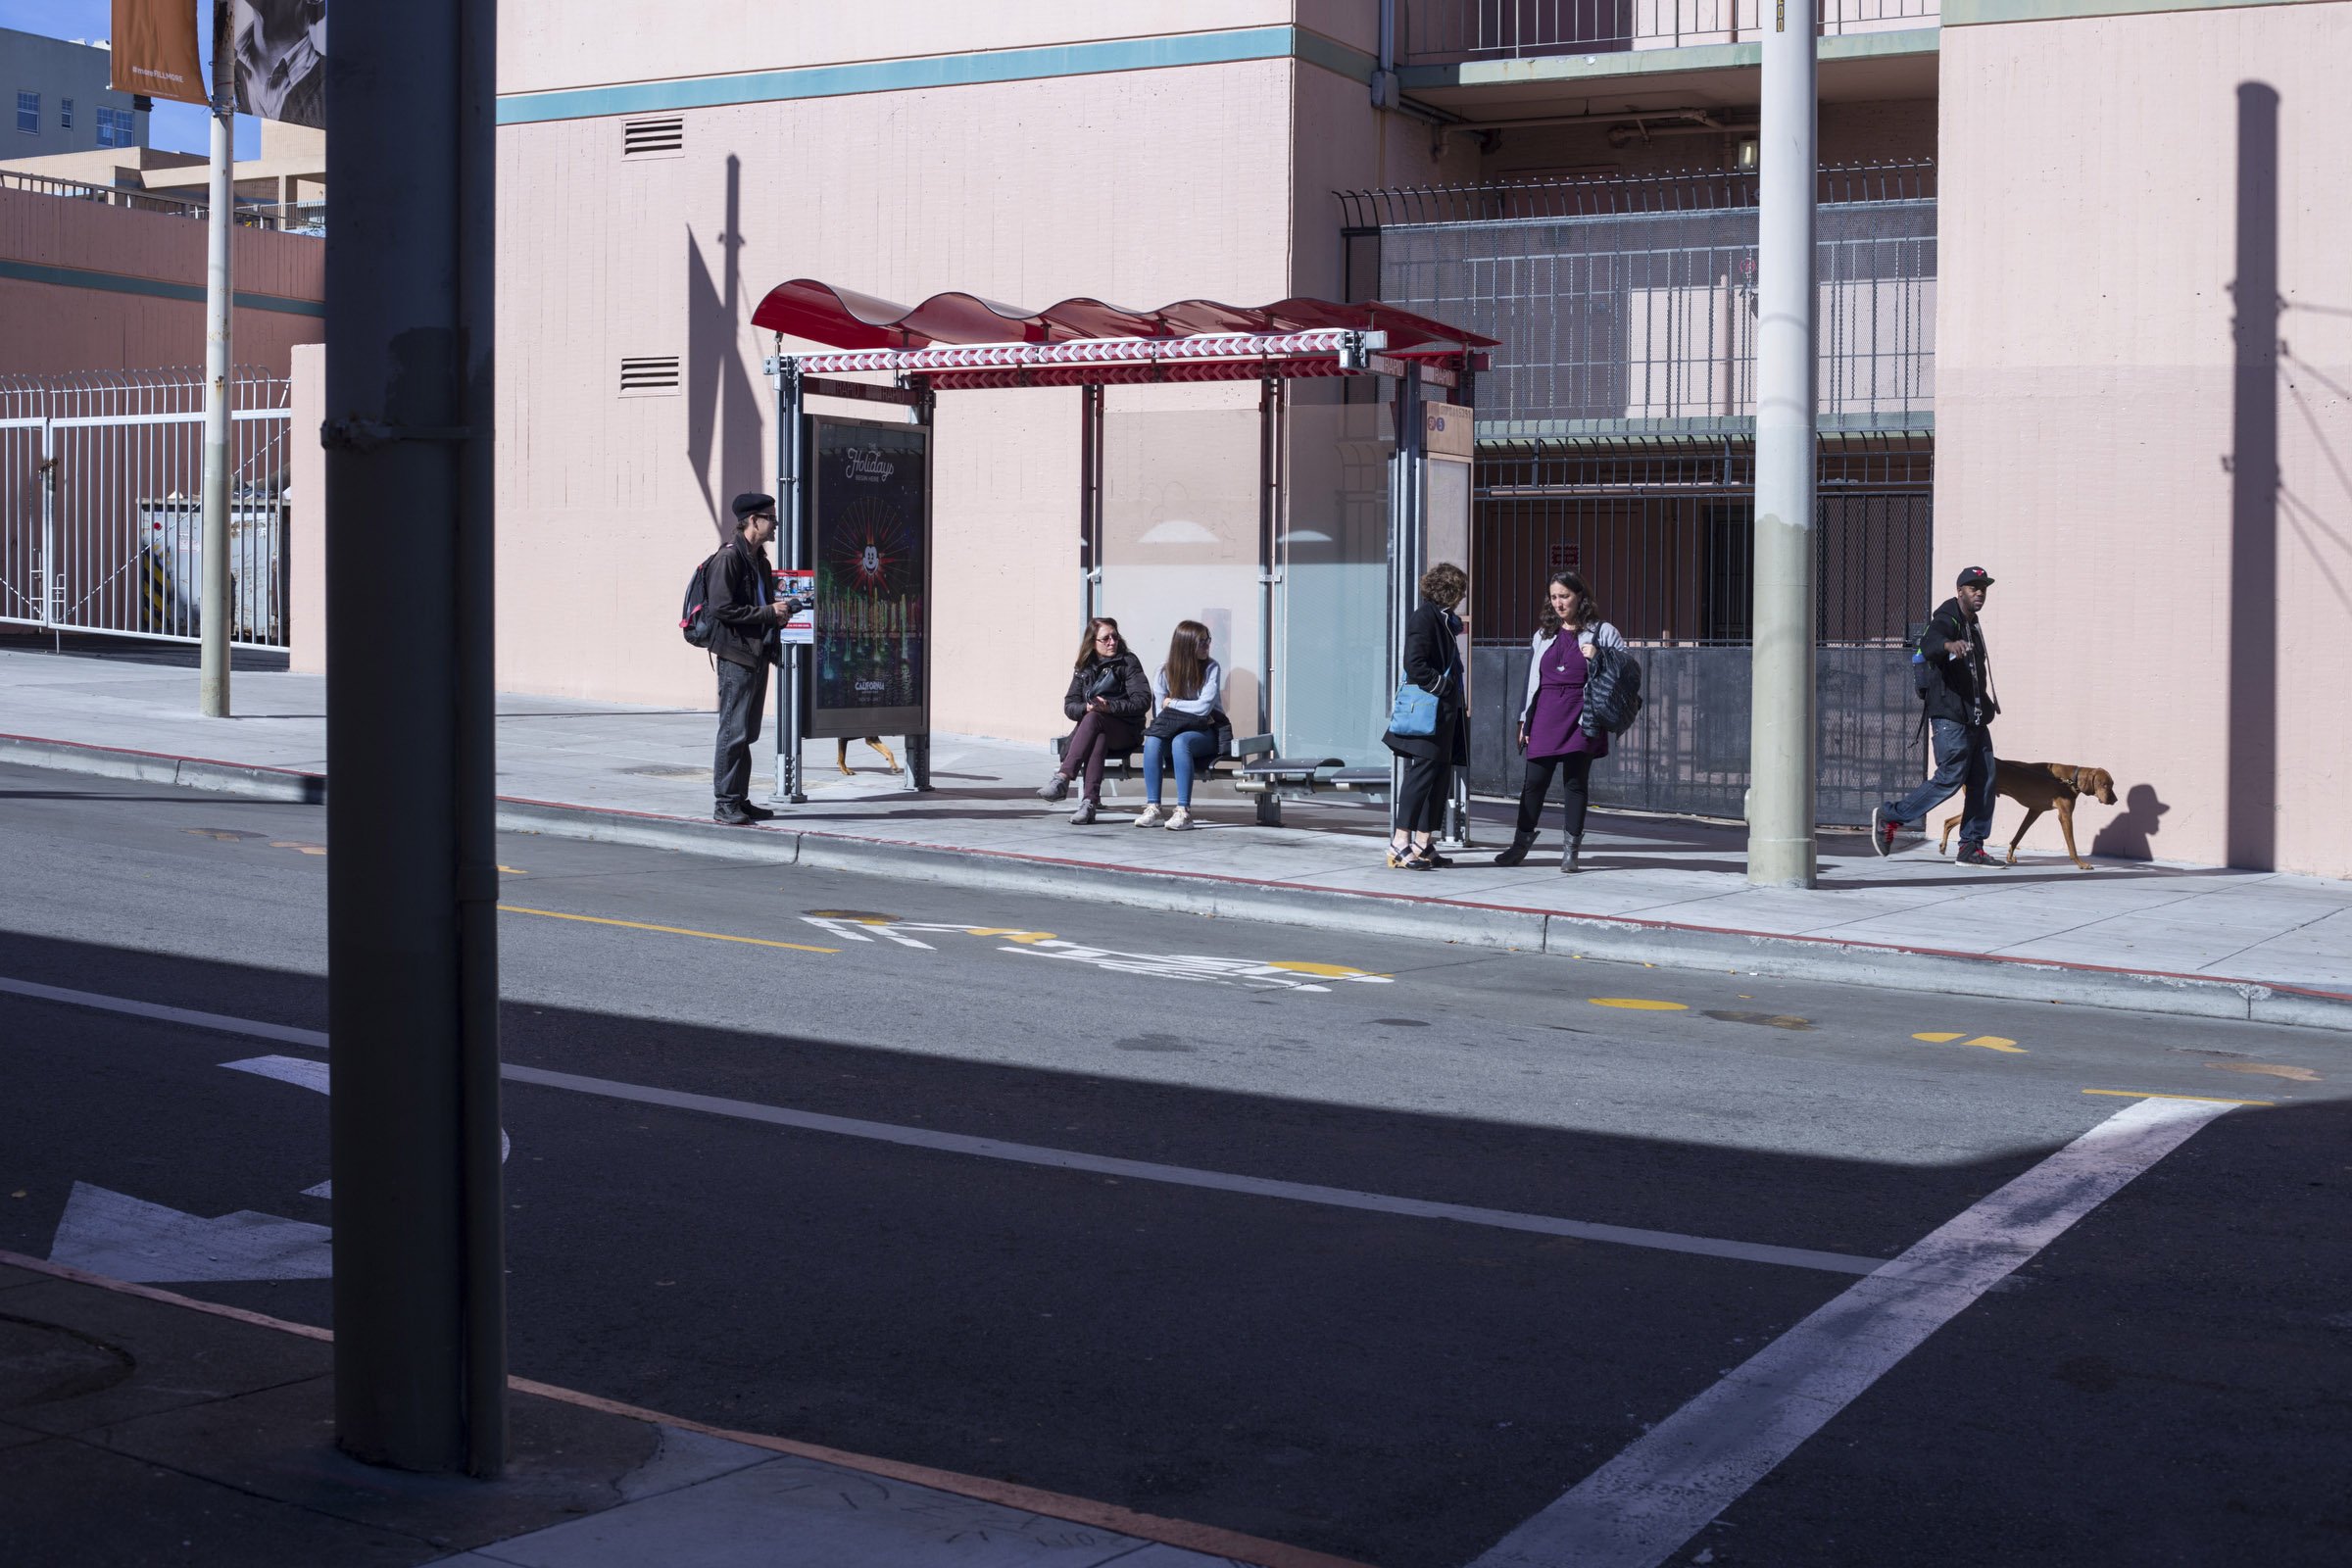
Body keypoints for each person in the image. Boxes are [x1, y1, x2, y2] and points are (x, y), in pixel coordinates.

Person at [1495, 570, 1626, 873]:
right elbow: (1531, 680)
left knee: (1575, 783)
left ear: (1580, 596)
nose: (1558, 603)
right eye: (1553, 597)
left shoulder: (1602, 631)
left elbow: (1627, 671)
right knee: (1534, 783)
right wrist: (1523, 720)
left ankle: (1570, 852)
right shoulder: (1543, 635)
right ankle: (1520, 845)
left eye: (1564, 596)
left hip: (1583, 715)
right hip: (1545, 714)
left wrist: (1600, 656)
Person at [1873, 565, 2003, 865]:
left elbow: (1973, 673)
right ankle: (1890, 815)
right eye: (1973, 587)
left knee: (1984, 780)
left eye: (1983, 588)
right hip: (1949, 717)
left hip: (1974, 717)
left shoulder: (1973, 624)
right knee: (1950, 778)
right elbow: (1931, 644)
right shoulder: (1947, 617)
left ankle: (1971, 847)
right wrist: (1948, 645)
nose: (1980, 592)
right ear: (1960, 592)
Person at [706, 493, 801, 825]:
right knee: (732, 731)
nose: (775, 524)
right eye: (771, 518)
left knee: (746, 733)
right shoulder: (729, 558)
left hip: (757, 654)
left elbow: (760, 606)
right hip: (736, 657)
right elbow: (720, 608)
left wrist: (779, 614)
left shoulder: (759, 559)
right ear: (753, 520)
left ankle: (739, 800)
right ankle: (725, 803)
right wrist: (765, 612)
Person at [1382, 563, 1469, 870]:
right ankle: (1399, 843)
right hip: (1428, 711)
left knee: (1438, 778)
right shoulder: (1425, 617)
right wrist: (1444, 687)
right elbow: (1414, 663)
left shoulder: (1444, 620)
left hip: (1444, 714)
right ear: (1450, 590)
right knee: (1420, 777)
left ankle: (1422, 842)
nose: (1462, 596)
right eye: (1460, 590)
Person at [1038, 617, 1152, 824]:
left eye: (1115, 636)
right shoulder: (1084, 667)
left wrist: (1109, 706)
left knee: (1095, 718)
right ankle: (1089, 803)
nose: (1112, 642)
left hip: (1127, 730)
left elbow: (1143, 701)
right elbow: (1070, 705)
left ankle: (1063, 778)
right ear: (1093, 642)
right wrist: (1086, 707)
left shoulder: (1127, 662)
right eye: (1105, 638)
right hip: (1098, 730)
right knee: (1097, 732)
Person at [1136, 620, 1222, 831]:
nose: (1207, 645)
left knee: (1180, 742)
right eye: (1202, 641)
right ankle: (1153, 807)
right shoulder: (1163, 672)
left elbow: (1203, 709)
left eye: (1208, 640)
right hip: (1172, 729)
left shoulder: (1211, 667)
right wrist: (1177, 706)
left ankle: (1183, 811)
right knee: (1154, 739)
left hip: (1206, 731)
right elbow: (1159, 714)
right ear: (1186, 645)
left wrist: (1172, 702)